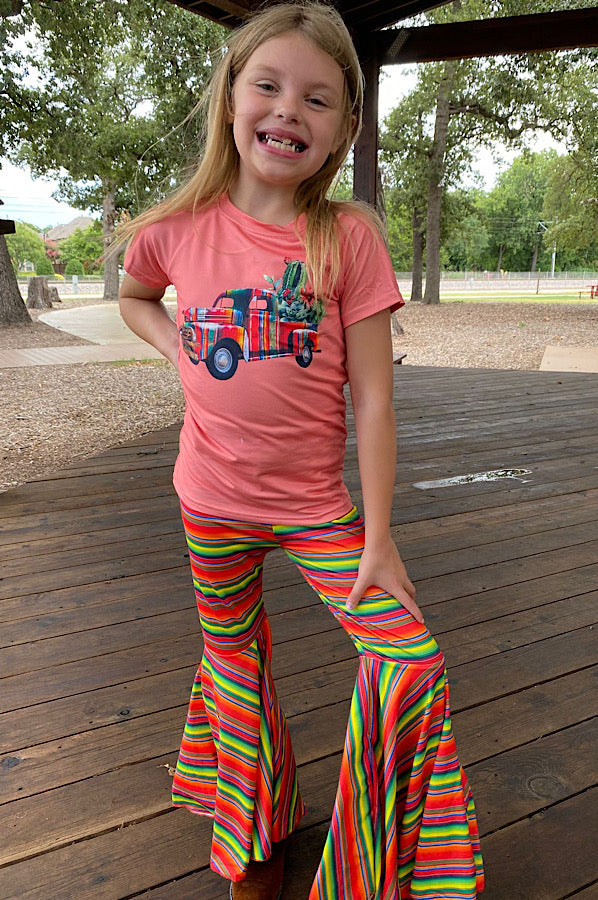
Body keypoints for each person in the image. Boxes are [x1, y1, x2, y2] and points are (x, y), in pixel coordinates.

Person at [118, 3, 484, 898]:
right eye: (269, 86)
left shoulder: (346, 238)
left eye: (318, 99)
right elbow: (136, 296)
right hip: (209, 502)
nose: (289, 110)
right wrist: (180, 350)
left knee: (410, 660)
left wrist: (380, 538)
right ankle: (254, 831)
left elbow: (375, 399)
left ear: (343, 127)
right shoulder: (176, 227)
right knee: (235, 663)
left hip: (319, 511)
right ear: (231, 98)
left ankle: (368, 861)